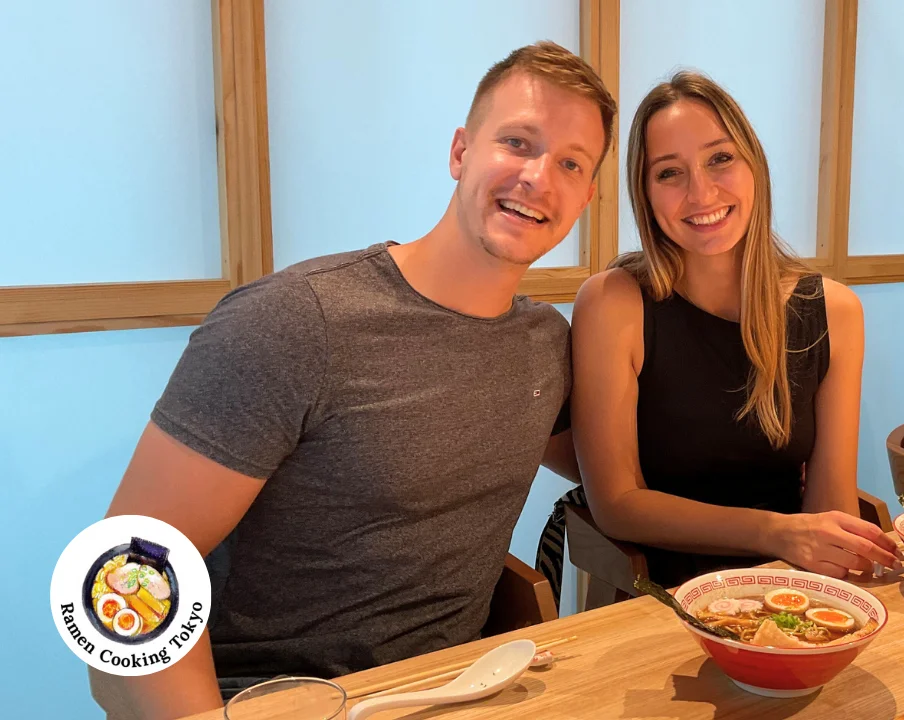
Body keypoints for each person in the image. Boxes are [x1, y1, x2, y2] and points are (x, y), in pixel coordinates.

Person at [90, 41, 616, 719]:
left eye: (571, 163)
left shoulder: (544, 345)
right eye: (517, 142)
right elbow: (124, 563)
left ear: (587, 195)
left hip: (453, 690)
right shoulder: (295, 323)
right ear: (460, 152)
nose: (539, 178)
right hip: (263, 700)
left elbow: (614, 474)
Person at [567, 71, 901, 589]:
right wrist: (775, 533)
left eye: (720, 159)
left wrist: (820, 558)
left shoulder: (834, 310)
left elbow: (828, 501)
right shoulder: (615, 302)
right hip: (659, 590)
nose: (701, 193)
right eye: (669, 173)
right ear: (645, 194)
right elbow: (618, 505)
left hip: (789, 583)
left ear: (754, 165)